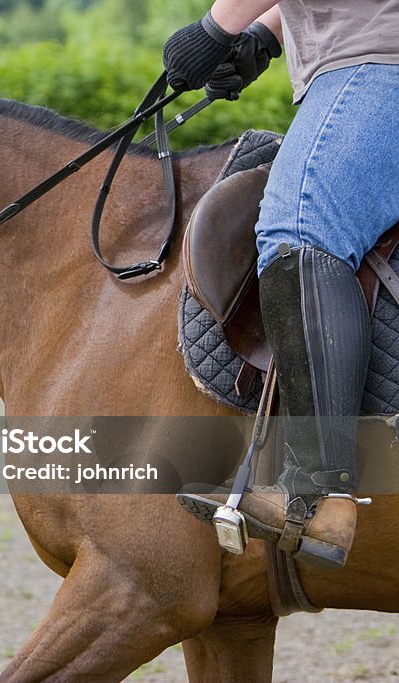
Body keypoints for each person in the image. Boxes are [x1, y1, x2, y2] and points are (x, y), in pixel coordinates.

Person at [163, 1, 399, 570]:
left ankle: (317, 495)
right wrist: (265, 35)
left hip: (378, 61)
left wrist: (216, 27)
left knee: (297, 228)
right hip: (355, 58)